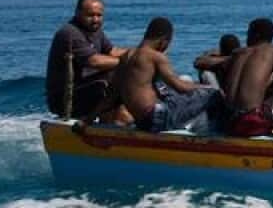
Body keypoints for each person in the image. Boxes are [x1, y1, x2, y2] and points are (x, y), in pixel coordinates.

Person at [93, 17, 223, 133]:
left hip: (141, 122)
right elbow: (180, 87)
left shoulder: (126, 56)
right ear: (164, 41)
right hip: (158, 119)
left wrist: (87, 120)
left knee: (172, 92)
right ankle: (214, 134)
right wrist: (206, 88)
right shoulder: (155, 57)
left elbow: (111, 95)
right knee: (215, 94)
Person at [45, 0, 131, 119]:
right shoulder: (69, 33)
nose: (95, 19)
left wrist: (141, 53)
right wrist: (130, 61)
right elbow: (94, 61)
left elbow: (112, 51)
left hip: (87, 89)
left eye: (99, 15)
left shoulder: (95, 31)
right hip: (66, 100)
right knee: (113, 77)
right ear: (77, 13)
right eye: (90, 15)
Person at [217, 18, 273, 137]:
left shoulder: (237, 53)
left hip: (227, 120)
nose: (246, 36)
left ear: (256, 35)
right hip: (251, 122)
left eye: (248, 33)